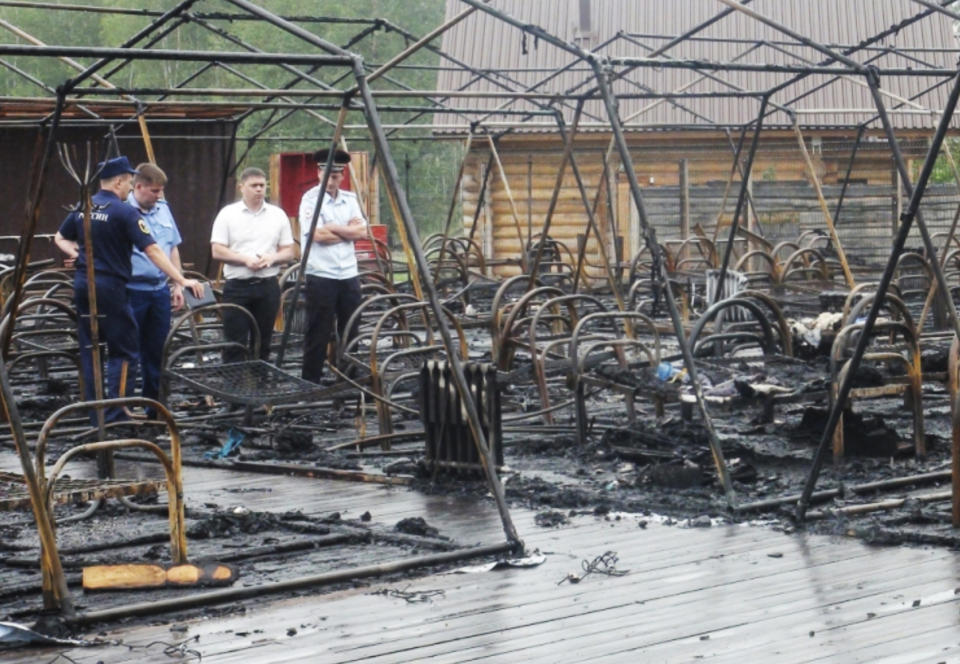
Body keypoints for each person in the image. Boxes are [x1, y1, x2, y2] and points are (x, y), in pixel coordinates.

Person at [54, 155, 203, 424]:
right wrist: (181, 280)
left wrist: (81, 254)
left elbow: (60, 237)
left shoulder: (83, 206)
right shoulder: (124, 212)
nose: (130, 186)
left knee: (91, 349)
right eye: (129, 181)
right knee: (123, 351)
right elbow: (154, 250)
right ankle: (116, 413)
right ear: (121, 181)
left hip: (83, 284)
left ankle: (95, 413)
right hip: (111, 286)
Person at [210, 166, 295, 363]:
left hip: (267, 286)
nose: (259, 189)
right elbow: (217, 250)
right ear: (242, 187)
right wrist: (245, 259)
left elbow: (289, 251)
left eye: (262, 185)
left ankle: (260, 384)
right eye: (254, 185)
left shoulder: (277, 215)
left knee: (263, 340)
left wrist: (272, 258)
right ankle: (234, 387)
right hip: (238, 286)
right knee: (234, 342)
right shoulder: (228, 214)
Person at [298, 148, 367, 384]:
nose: (331, 179)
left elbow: (362, 231)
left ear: (342, 175)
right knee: (318, 330)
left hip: (348, 273)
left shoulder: (350, 199)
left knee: (351, 327)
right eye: (327, 174)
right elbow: (317, 235)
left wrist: (334, 228)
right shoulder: (309, 199)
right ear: (319, 173)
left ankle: (348, 378)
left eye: (336, 175)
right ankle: (311, 381)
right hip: (321, 274)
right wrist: (346, 231)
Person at [126, 163, 184, 418]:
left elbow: (172, 247)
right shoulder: (122, 212)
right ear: (138, 187)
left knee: (157, 350)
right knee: (127, 352)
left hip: (159, 289)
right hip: (130, 290)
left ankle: (154, 408)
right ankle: (123, 409)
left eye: (161, 191)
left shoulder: (163, 209)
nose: (159, 196)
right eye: (154, 191)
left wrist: (178, 283)